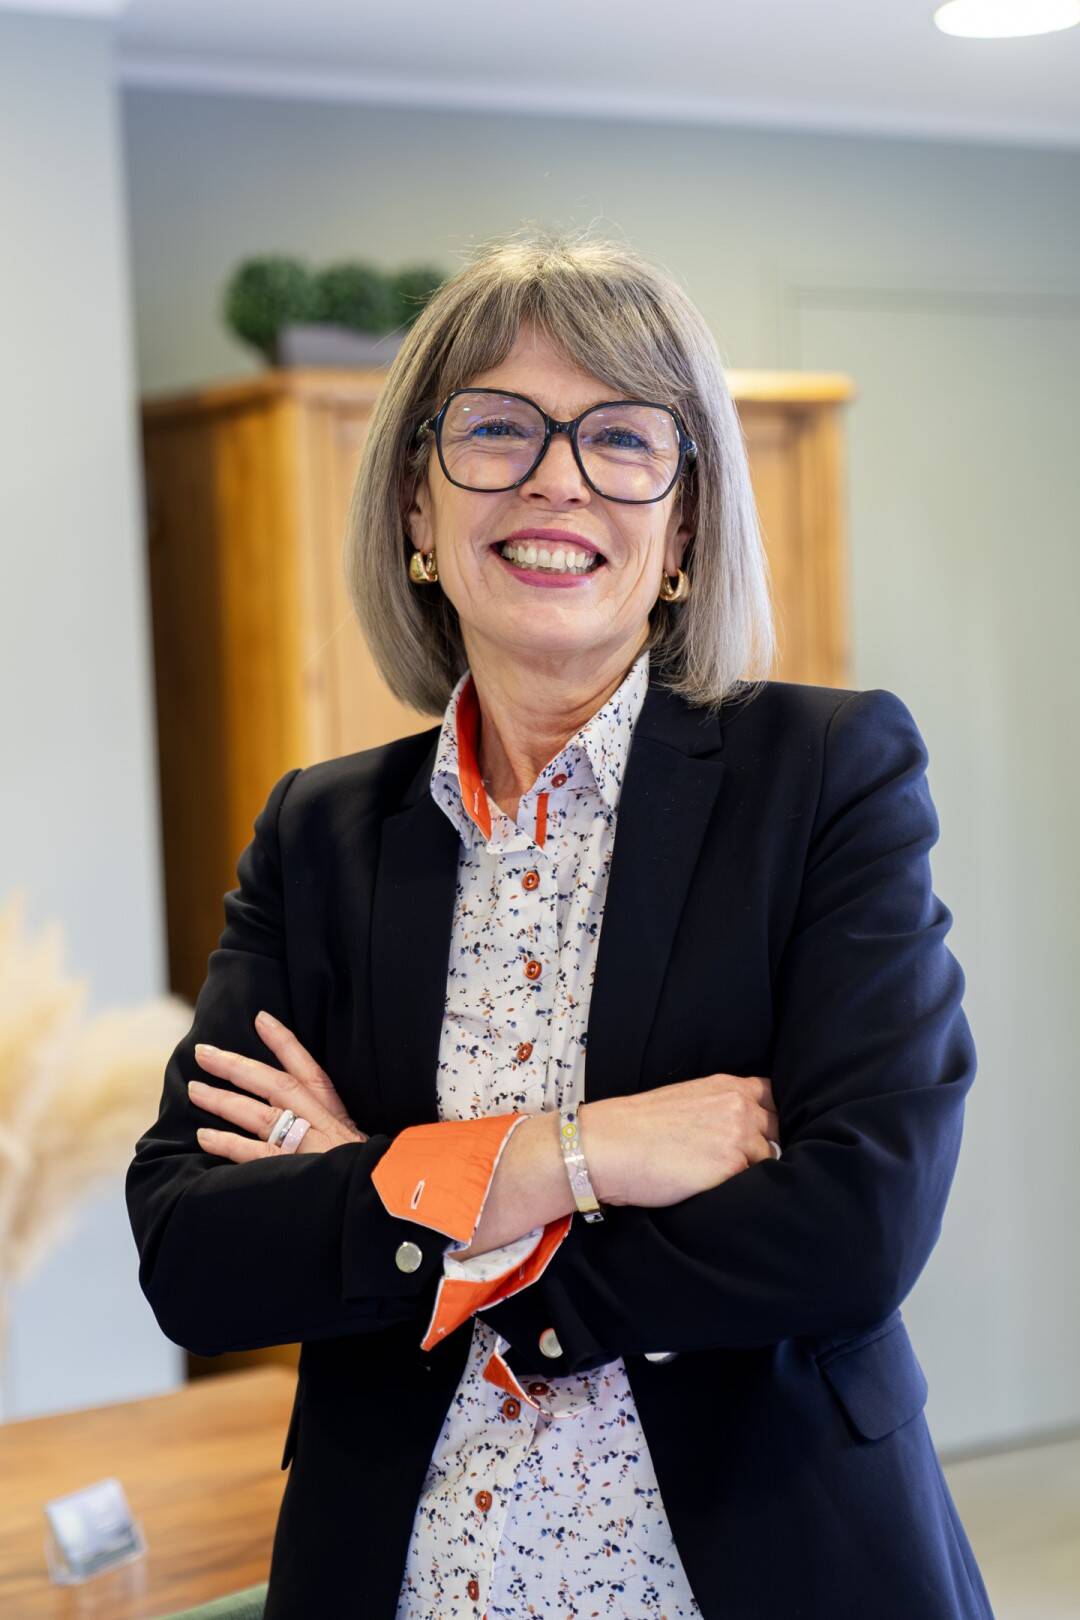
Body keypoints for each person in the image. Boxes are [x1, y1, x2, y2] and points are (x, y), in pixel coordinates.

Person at [125, 227, 994, 1619]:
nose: (557, 478)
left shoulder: (827, 775)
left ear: (684, 526)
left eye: (621, 437)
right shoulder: (318, 834)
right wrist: (579, 1155)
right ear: (416, 507)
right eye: (496, 428)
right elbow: (194, 1254)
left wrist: (397, 1198)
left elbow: (855, 1228)